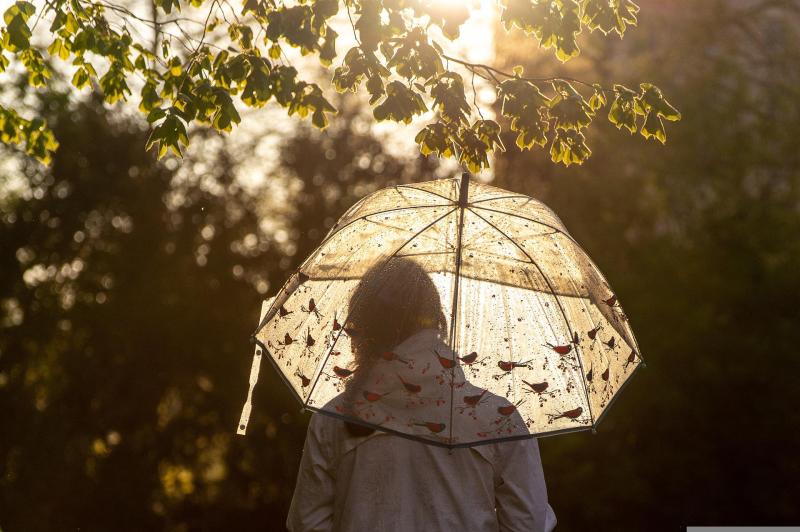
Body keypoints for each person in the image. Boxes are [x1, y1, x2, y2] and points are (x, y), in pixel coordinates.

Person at [286, 258, 558, 531]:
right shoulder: (497, 418)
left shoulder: (334, 419)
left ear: (363, 327)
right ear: (436, 320)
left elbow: (307, 524)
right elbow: (529, 524)